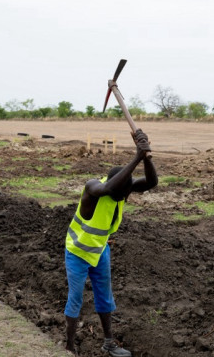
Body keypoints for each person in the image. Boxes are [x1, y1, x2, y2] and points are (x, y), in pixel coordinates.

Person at [64, 129, 158, 357]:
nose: (124, 199)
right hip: (77, 253)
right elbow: (108, 189)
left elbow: (152, 182)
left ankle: (108, 342)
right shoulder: (94, 188)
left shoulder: (123, 188)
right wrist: (136, 156)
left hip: (100, 251)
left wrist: (146, 158)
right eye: (121, 195)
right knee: (75, 299)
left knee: (105, 297)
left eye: (127, 194)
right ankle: (68, 346)